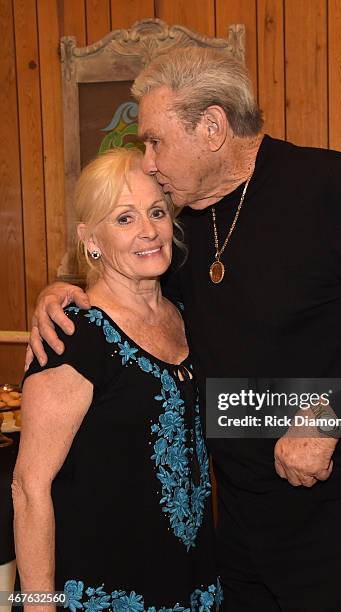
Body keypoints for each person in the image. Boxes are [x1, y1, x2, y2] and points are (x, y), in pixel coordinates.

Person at [29, 48, 341, 611]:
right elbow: (135, 300)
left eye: (155, 140)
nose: (149, 160)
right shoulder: (181, 224)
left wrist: (332, 416)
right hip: (235, 536)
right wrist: (61, 293)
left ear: (212, 127)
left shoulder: (329, 187)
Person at [13, 148, 222, 612]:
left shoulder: (189, 317)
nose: (148, 231)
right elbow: (29, 488)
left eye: (157, 212)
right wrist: (38, 606)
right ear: (91, 240)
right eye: (124, 218)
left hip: (191, 586)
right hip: (96, 594)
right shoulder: (73, 334)